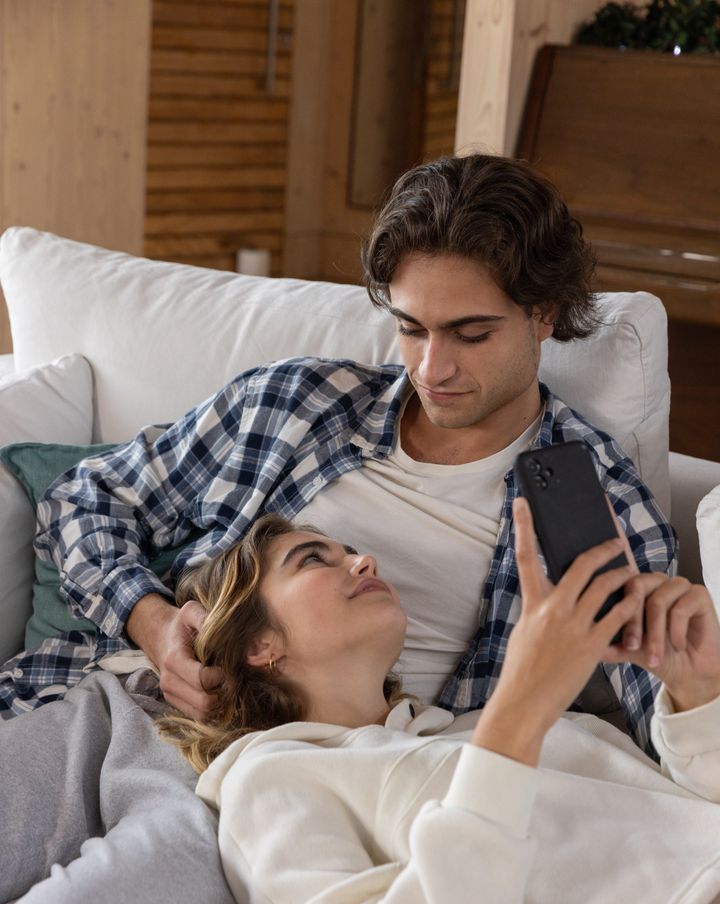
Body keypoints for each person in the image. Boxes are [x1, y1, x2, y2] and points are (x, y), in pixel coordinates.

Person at [1, 153, 675, 758]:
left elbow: (658, 710)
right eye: (411, 329)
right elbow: (84, 499)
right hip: (110, 705)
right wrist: (150, 622)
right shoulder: (299, 403)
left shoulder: (592, 498)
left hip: (331, 782)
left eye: (470, 334)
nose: (431, 367)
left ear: (545, 315)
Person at [155, 508, 720, 904]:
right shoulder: (274, 777)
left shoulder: (480, 727)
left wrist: (700, 693)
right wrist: (517, 716)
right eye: (313, 560)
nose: (362, 560)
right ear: (260, 645)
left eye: (348, 550)